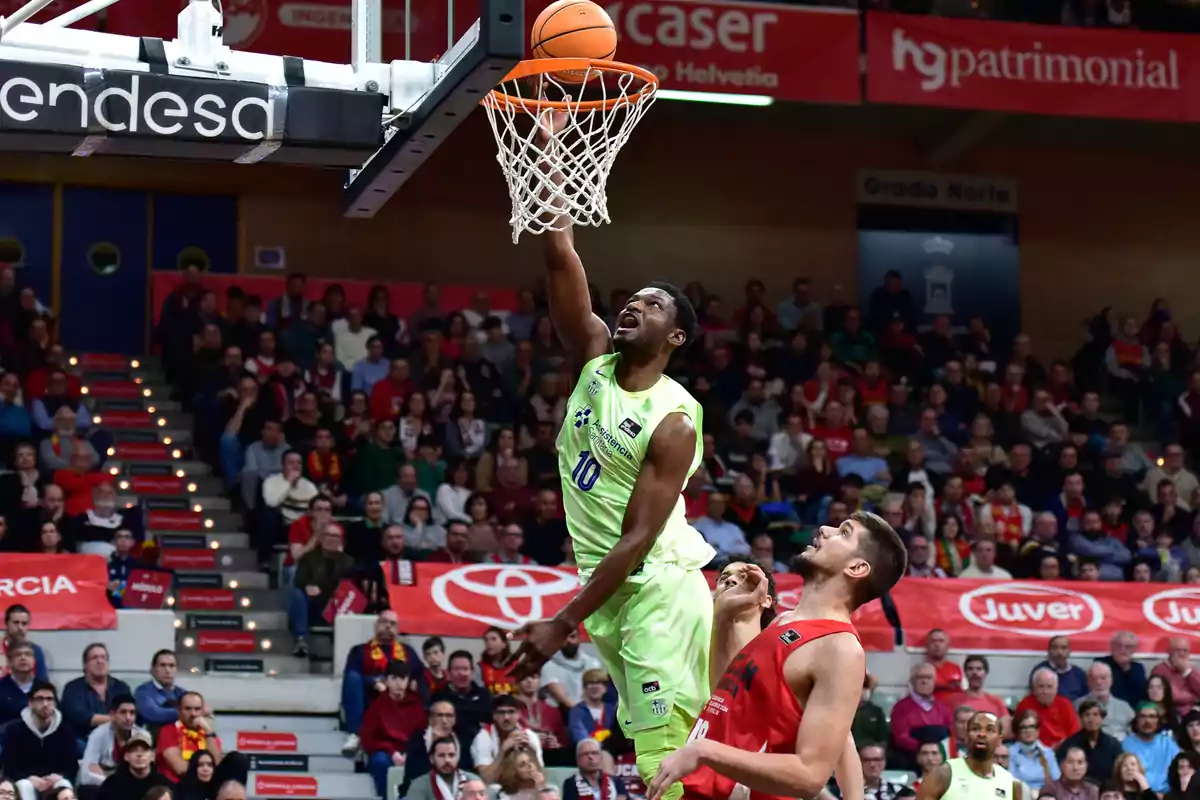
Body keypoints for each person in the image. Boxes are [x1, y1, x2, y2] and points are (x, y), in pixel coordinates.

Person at [507, 126, 717, 800]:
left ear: (675, 337)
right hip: (612, 593)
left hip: (657, 585)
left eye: (653, 305)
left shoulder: (674, 420)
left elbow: (636, 539)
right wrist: (545, 152)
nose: (634, 304)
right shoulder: (593, 359)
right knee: (673, 740)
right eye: (633, 298)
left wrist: (560, 620)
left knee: (664, 748)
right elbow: (558, 250)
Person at [645, 511, 907, 800]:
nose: (825, 529)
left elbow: (810, 775)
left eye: (844, 533)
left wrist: (704, 750)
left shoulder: (840, 648)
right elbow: (726, 699)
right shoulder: (784, 622)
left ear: (857, 567)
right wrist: (723, 618)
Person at [911, 712, 1019, 800]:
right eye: (976, 729)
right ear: (967, 736)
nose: (981, 734)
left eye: (990, 730)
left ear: (1000, 740)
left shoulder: (1010, 782)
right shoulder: (942, 775)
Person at [361, 661, 429, 799]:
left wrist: (410, 753)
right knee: (379, 761)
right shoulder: (378, 705)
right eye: (394, 678)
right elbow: (368, 738)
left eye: (402, 679)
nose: (398, 684)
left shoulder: (416, 704)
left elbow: (423, 733)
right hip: (387, 753)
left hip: (412, 751)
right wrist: (392, 752)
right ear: (386, 681)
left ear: (408, 681)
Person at [2, 681, 79, 800]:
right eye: (40, 699)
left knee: (65, 785)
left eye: (49, 699)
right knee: (23, 785)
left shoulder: (65, 730)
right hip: (27, 781)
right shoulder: (15, 730)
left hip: (54, 781)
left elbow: (72, 766)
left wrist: (58, 776)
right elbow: (9, 767)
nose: (45, 704)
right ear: (31, 703)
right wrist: (29, 778)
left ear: (55, 703)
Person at [79, 693, 149, 789]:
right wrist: (114, 783)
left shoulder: (143, 736)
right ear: (112, 714)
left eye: (132, 713)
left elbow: (147, 770)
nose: (128, 718)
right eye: (123, 712)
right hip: (106, 787)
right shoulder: (98, 735)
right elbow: (86, 775)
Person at [96, 730, 171, 800]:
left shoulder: (163, 783)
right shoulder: (112, 784)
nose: (139, 754)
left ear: (152, 756)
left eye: (144, 750)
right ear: (126, 756)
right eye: (134, 750)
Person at [404, 736, 481, 800]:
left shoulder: (472, 780)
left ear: (457, 758)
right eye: (441, 755)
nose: (447, 760)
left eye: (451, 755)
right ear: (432, 759)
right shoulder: (419, 785)